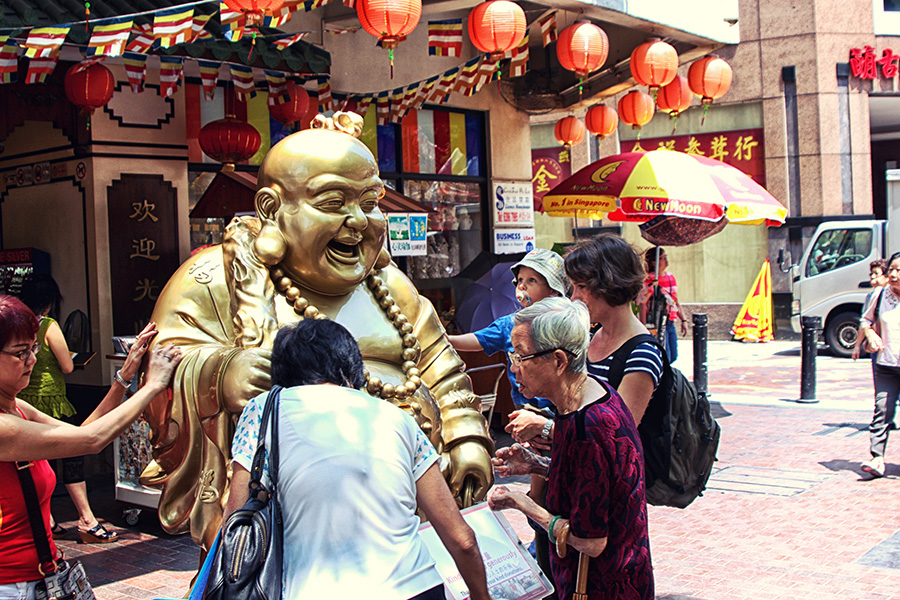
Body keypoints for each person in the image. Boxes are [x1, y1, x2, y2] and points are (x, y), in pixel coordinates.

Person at [142, 112, 492, 552]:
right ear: (273, 209)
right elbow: (161, 368)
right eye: (333, 203)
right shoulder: (213, 279)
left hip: (402, 497)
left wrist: (464, 434)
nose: (359, 221)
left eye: (369, 202)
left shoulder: (390, 285)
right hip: (291, 509)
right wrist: (218, 373)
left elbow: (441, 365)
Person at [224, 319, 490, 600]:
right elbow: (461, 539)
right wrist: (481, 596)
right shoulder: (397, 418)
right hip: (416, 587)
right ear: (351, 368)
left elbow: (236, 515)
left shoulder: (264, 410)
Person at [0, 295, 182, 599]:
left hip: (35, 578)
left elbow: (82, 434)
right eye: (20, 352)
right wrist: (152, 386)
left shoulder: (16, 407)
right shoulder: (4, 426)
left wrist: (125, 375)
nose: (31, 359)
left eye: (33, 348)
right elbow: (91, 440)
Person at [487, 297, 654, 599]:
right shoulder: (588, 397)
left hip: (605, 586)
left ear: (560, 361)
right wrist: (536, 464)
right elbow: (594, 482)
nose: (514, 370)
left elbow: (590, 541)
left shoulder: (589, 424)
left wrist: (519, 503)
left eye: (521, 357)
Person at [17, 275, 115, 543]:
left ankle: (48, 520)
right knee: (73, 458)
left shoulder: (18, 327)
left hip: (26, 401)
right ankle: (87, 519)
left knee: (38, 462)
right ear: (49, 303)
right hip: (53, 401)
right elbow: (67, 366)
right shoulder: (47, 326)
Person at [448, 248, 569, 444]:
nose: (522, 286)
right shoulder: (511, 323)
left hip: (561, 405)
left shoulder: (565, 321)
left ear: (553, 290)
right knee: (533, 455)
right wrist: (449, 340)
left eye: (532, 280)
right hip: (526, 406)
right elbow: (480, 340)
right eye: (520, 280)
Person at [565, 235, 664, 426]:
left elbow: (616, 432)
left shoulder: (642, 354)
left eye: (581, 286)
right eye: (573, 287)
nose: (574, 298)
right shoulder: (589, 339)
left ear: (611, 283)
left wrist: (547, 429)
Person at [859, 252, 900, 478]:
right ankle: (877, 458)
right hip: (887, 364)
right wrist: (869, 335)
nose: (893, 274)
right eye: (891, 270)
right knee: (882, 409)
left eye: (898, 270)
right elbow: (866, 319)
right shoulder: (880, 295)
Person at [637, 247, 688, 363]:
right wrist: (644, 325)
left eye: (665, 257)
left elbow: (675, 300)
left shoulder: (670, 277)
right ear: (654, 262)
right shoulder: (649, 280)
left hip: (670, 320)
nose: (666, 260)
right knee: (665, 355)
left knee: (673, 355)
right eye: (662, 257)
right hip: (657, 322)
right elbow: (642, 303)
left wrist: (683, 319)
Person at [852, 259, 889, 363]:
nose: (872, 277)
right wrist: (857, 345)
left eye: (877, 274)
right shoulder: (871, 296)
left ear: (886, 277)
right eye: (871, 274)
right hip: (877, 344)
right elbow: (865, 322)